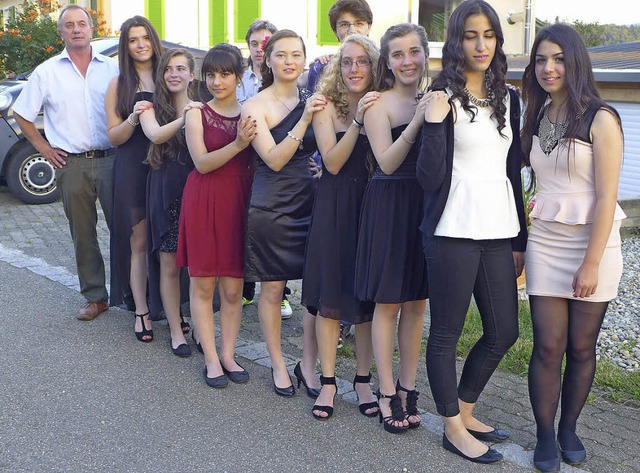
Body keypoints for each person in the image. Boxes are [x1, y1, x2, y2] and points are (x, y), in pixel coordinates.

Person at [417, 0, 527, 463]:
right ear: (457, 41)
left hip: (498, 226)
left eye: (489, 35)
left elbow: (512, 170)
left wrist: (521, 237)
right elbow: (426, 177)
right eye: (470, 35)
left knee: (504, 330)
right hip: (453, 227)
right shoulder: (442, 95)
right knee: (446, 332)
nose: (481, 45)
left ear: (498, 40)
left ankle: (464, 409)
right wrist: (435, 120)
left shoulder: (511, 97)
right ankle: (451, 427)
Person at [521, 24, 625, 472]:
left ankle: (569, 427)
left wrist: (591, 263)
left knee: (582, 347)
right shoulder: (536, 112)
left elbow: (606, 197)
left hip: (593, 245)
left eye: (559, 58)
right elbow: (533, 182)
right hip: (546, 241)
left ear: (575, 61)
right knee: (548, 344)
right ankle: (545, 434)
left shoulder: (601, 117)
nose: (549, 68)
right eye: (542, 59)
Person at [13, 5, 119, 321]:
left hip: (113, 161)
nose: (76, 29)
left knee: (126, 231)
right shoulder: (46, 72)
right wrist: (43, 147)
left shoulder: (112, 69)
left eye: (81, 24)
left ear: (91, 29)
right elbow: (22, 112)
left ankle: (132, 296)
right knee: (82, 234)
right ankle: (95, 297)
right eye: (69, 25)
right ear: (61, 33)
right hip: (71, 165)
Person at [354, 23, 429, 433]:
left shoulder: (434, 98)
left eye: (413, 52)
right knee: (388, 303)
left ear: (425, 54)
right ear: (387, 61)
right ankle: (385, 391)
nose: (407, 61)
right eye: (398, 55)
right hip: (388, 205)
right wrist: (418, 120)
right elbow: (386, 162)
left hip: (423, 206)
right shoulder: (377, 105)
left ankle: (407, 387)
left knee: (417, 303)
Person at [241, 30, 325, 397]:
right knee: (273, 289)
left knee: (315, 291)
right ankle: (277, 362)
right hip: (272, 204)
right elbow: (273, 159)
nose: (289, 61)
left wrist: (322, 168)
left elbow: (325, 147)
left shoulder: (312, 98)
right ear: (268, 60)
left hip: (310, 201)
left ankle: (307, 363)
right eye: (281, 54)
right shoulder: (255, 106)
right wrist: (305, 120)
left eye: (296, 54)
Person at [301, 34, 380, 420]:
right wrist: (359, 121)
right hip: (335, 207)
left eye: (362, 61)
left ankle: (363, 379)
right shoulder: (325, 105)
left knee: (366, 301)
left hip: (372, 207)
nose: (354, 69)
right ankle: (328, 381)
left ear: (374, 65)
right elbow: (331, 162)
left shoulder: (383, 99)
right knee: (331, 299)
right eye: (347, 62)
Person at [177, 43, 257, 388]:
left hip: (240, 201)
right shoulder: (196, 112)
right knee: (204, 282)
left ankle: (228, 354)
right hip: (204, 198)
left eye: (225, 73)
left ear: (239, 76)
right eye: (210, 74)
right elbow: (202, 162)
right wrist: (238, 144)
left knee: (233, 288)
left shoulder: (252, 112)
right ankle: (210, 358)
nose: (217, 81)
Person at [105, 16, 164, 342]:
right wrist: (132, 118)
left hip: (166, 166)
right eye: (132, 39)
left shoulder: (168, 75)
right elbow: (113, 136)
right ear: (125, 46)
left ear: (153, 40)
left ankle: (172, 308)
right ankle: (141, 309)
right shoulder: (118, 83)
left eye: (144, 37)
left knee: (169, 241)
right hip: (132, 166)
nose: (140, 44)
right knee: (139, 241)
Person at [139, 48, 201, 357]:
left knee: (201, 266)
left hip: (198, 189)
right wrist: (187, 117)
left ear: (192, 74)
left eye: (180, 68)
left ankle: (199, 327)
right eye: (168, 69)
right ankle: (176, 330)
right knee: (169, 263)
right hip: (165, 191)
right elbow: (156, 135)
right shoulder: (152, 108)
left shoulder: (204, 106)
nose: (174, 73)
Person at [236, 19, 293, 319]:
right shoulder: (239, 79)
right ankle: (246, 288)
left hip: (276, 166)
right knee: (247, 223)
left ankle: (280, 292)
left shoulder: (288, 79)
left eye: (265, 43)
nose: (259, 49)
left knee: (274, 229)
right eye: (254, 43)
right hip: (243, 159)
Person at [306, 0, 373, 92]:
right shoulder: (321, 68)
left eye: (359, 23)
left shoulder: (385, 65)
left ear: (369, 27)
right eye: (344, 25)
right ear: (335, 31)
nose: (352, 30)